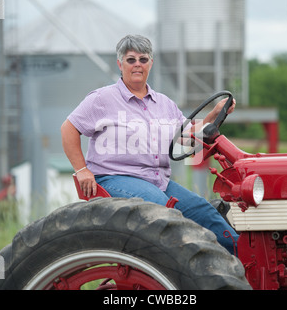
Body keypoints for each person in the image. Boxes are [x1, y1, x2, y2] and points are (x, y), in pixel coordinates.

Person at [61, 35, 239, 254]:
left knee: (206, 214)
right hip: (114, 177)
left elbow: (186, 136)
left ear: (151, 64)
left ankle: (243, 268)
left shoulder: (164, 103)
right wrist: (81, 170)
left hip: (158, 180)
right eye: (131, 59)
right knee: (162, 210)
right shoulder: (102, 99)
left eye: (143, 59)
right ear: (120, 64)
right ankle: (178, 272)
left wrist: (214, 113)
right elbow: (68, 129)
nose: (138, 64)